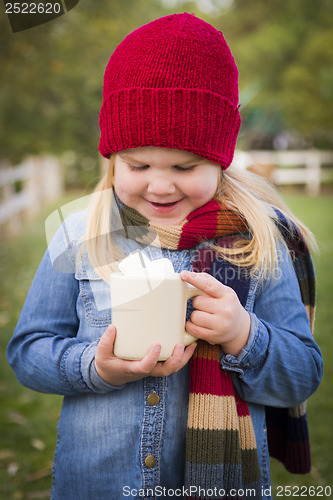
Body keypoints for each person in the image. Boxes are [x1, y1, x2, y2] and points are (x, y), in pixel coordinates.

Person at [7, 13, 323, 500]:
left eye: (184, 165)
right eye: (137, 164)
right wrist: (97, 366)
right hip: (99, 485)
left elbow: (300, 376)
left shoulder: (260, 240)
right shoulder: (79, 231)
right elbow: (28, 352)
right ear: (112, 157)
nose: (159, 184)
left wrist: (244, 335)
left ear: (219, 157)